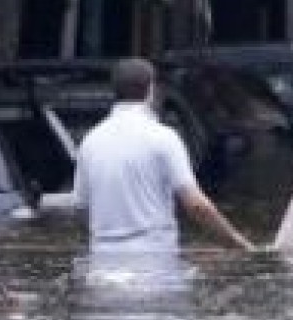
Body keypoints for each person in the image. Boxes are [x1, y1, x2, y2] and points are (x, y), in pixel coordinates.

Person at [73, 57, 255, 252]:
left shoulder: (90, 141)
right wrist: (240, 244)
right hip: (154, 257)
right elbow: (196, 206)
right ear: (151, 90)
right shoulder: (163, 137)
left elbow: (81, 207)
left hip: (103, 258)